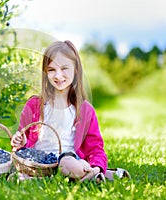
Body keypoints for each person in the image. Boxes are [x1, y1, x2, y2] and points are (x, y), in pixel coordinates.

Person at [10, 40, 130, 182]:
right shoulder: (34, 105)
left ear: (76, 70)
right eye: (51, 70)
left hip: (67, 160)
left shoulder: (85, 110)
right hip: (38, 162)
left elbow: (95, 147)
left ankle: (88, 171)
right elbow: (21, 140)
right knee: (13, 165)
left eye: (64, 68)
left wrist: (98, 166)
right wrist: (20, 141)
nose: (58, 75)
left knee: (68, 164)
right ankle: (94, 175)